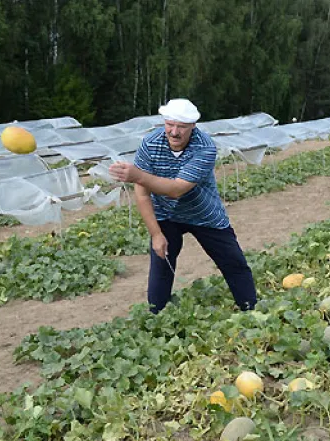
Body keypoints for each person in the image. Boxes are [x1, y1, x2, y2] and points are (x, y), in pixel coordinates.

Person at [109, 98, 257, 313]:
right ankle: (156, 318)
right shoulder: (150, 144)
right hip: (165, 215)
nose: (175, 132)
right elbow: (141, 192)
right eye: (170, 125)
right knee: (161, 266)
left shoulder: (205, 147)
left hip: (204, 214)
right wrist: (156, 234)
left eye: (182, 127)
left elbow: (176, 189)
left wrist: (137, 175)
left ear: (193, 127)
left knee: (233, 262)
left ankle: (250, 309)